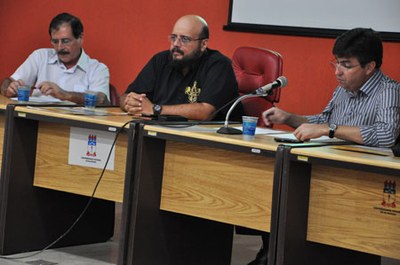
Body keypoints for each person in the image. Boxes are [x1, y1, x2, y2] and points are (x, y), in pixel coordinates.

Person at [248, 28, 400, 265]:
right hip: (330, 173)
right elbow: (322, 122)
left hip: (364, 185)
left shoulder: (389, 91)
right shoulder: (342, 90)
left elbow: (386, 134)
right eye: (336, 63)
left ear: (370, 67)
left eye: (346, 65)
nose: (338, 72)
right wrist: (288, 117)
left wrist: (330, 130)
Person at [120, 14, 241, 121]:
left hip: (208, 141)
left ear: (203, 44)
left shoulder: (218, 65)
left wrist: (155, 109)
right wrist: (131, 103)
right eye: (173, 37)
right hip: (162, 133)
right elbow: (126, 96)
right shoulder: (160, 60)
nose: (176, 44)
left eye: (184, 39)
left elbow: (206, 112)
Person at [0, 12, 110, 104]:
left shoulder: (98, 69)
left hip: (73, 127)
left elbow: (102, 100)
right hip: (34, 122)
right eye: (55, 41)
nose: (60, 47)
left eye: (66, 41)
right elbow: (8, 81)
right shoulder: (40, 56)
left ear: (80, 38)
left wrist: (66, 95)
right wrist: (9, 89)